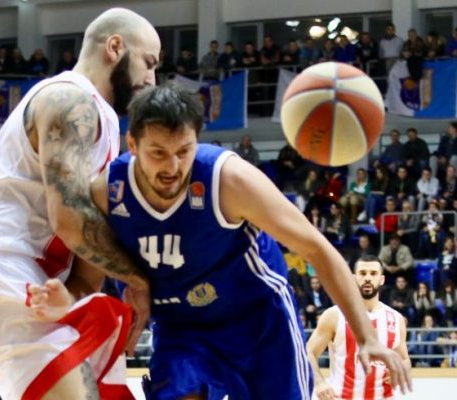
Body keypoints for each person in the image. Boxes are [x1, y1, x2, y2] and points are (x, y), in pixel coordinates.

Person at [33, 85, 411, 399]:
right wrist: (65, 301)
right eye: (158, 153)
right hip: (181, 327)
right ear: (132, 143)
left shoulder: (228, 180)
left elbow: (316, 248)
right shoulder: (109, 193)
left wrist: (366, 336)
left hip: (258, 321)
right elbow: (89, 276)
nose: (172, 168)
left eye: (184, 151)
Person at [0, 8, 160, 400]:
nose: (152, 79)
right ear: (115, 47)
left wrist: (80, 295)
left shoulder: (104, 121)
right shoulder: (69, 99)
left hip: (43, 288)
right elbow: (68, 218)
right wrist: (138, 280)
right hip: (4, 276)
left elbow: (84, 262)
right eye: (149, 63)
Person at [307, 256, 410, 400]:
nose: (368, 278)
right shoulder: (334, 315)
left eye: (373, 273)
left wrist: (400, 372)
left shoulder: (396, 319)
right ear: (354, 278)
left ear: (382, 279)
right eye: (362, 273)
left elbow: (404, 359)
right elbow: (308, 352)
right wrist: (319, 382)